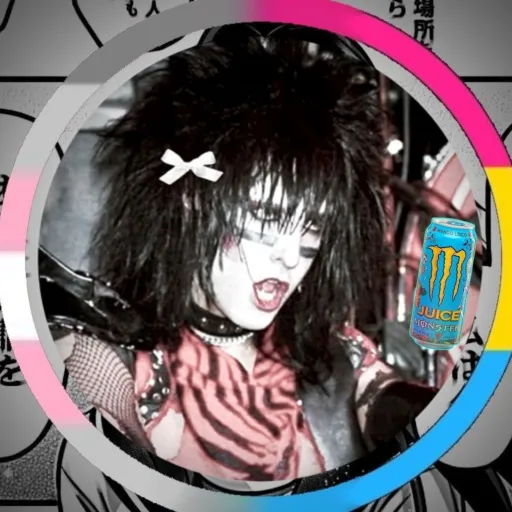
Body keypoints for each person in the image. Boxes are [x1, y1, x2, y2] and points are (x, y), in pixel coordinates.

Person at [46, 33, 436, 483]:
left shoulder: (339, 354)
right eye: (267, 216)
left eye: (312, 226)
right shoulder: (113, 361)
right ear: (194, 198)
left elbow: (400, 407)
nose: (289, 256)